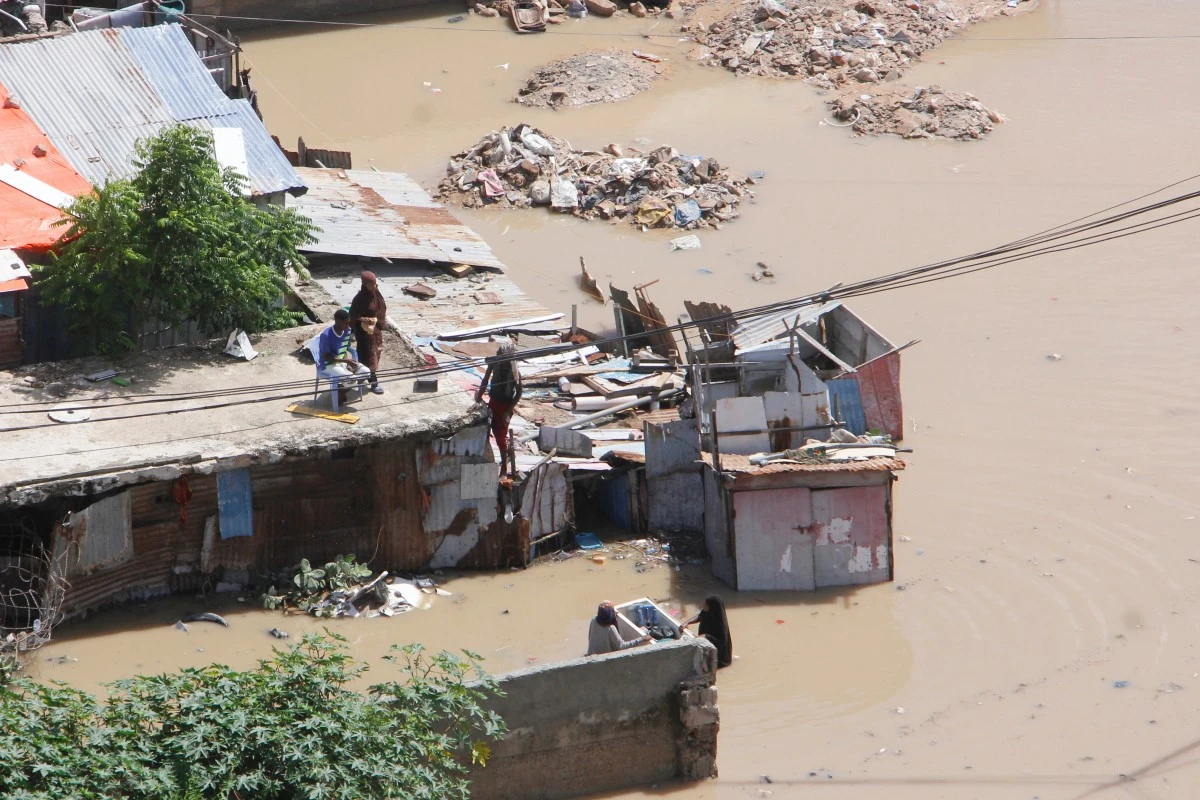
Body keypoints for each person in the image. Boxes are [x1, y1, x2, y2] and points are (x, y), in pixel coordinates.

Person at [474, 340, 523, 477]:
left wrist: (508, 410)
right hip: (493, 401)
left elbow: (518, 393)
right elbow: (485, 380)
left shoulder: (515, 371)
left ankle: (504, 468)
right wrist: (479, 397)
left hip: (505, 406)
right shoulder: (493, 363)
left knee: (500, 435)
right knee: (488, 429)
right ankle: (491, 459)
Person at [318, 309, 372, 406]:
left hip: (342, 363)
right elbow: (326, 358)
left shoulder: (347, 331)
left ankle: (342, 391)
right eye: (346, 322)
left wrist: (347, 364)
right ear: (338, 322)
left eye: (349, 322)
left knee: (366, 372)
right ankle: (341, 390)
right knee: (350, 378)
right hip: (329, 365)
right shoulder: (326, 336)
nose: (348, 325)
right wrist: (346, 360)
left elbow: (344, 349)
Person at [349, 270, 389, 395]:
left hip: (375, 329)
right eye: (371, 284)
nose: (374, 287)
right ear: (364, 284)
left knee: (376, 353)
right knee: (368, 356)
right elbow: (353, 314)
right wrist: (363, 319)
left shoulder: (376, 294)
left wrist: (378, 321)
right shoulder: (359, 299)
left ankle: (363, 374)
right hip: (363, 332)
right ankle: (373, 382)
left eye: (375, 284)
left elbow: (381, 307)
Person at [683, 595, 733, 668]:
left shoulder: (721, 623)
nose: (703, 605)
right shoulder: (709, 612)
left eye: (705, 604)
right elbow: (699, 616)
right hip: (706, 648)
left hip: (720, 658)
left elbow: (722, 642)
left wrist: (705, 637)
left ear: (712, 607)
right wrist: (687, 623)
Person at [586, 601, 651, 656]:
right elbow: (622, 646)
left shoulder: (594, 620)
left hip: (591, 655)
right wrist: (642, 638)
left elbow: (590, 637)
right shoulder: (611, 628)